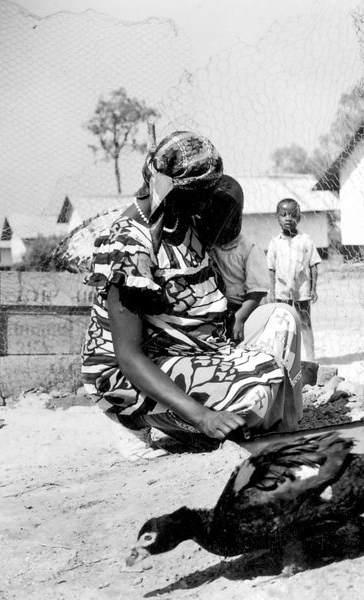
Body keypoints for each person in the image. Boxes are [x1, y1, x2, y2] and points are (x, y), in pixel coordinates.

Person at [81, 131, 302, 460]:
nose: (207, 202)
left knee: (283, 322)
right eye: (204, 194)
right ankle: (136, 421)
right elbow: (128, 356)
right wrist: (202, 416)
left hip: (198, 351)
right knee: (258, 391)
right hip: (137, 372)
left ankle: (257, 423)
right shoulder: (130, 243)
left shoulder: (180, 220)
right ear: (178, 190)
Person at [207, 176, 271, 344]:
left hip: (243, 309)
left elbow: (257, 292)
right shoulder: (209, 246)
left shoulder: (249, 249)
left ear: (237, 218)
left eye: (226, 221)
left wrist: (240, 318)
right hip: (216, 309)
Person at [266, 198, 321, 362]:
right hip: (282, 292)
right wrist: (271, 291)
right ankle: (283, 358)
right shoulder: (275, 243)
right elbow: (271, 269)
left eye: (292, 215)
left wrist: (313, 289)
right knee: (283, 324)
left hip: (302, 290)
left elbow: (313, 265)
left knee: (305, 322)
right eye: (283, 215)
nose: (288, 218)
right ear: (277, 217)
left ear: (299, 217)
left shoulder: (306, 240)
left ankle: (310, 359)